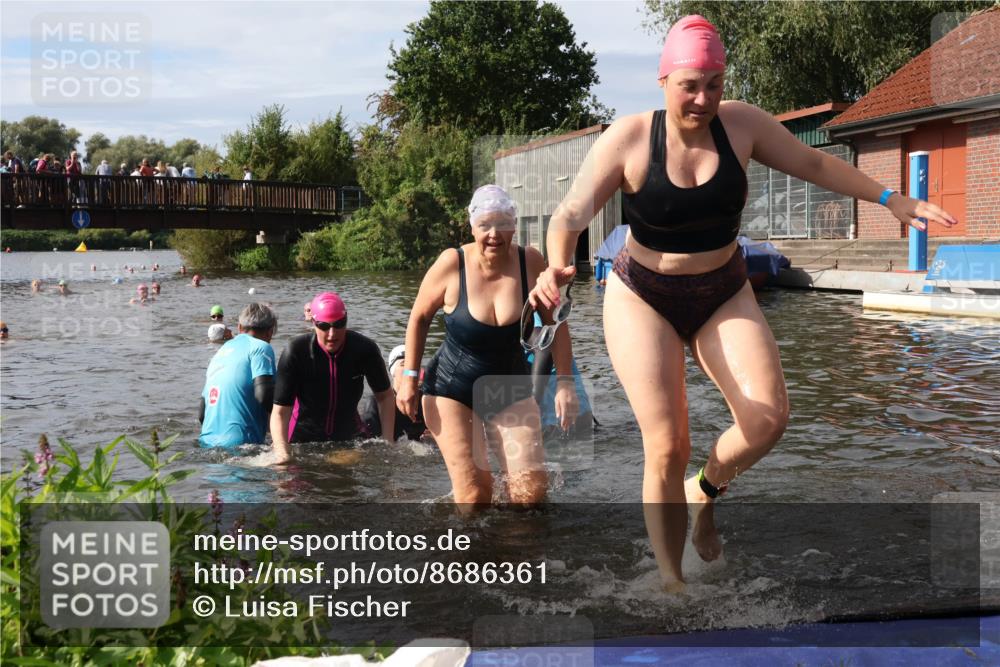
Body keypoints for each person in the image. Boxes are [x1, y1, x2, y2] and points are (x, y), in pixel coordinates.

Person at [528, 14, 958, 591]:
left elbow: (814, 163)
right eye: (690, 84)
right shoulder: (629, 139)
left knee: (768, 418)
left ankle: (703, 490)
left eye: (714, 83)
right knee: (668, 442)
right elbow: (571, 215)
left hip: (722, 289)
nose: (703, 98)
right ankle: (671, 582)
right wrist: (558, 264)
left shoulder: (743, 126)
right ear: (664, 80)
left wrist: (890, 198)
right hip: (642, 295)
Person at [397, 185, 578, 508]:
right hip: (451, 389)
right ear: (472, 227)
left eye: (503, 224)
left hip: (509, 385)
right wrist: (409, 376)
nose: (494, 234)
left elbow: (556, 324)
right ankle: (471, 555)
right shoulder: (452, 263)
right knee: (475, 496)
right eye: (485, 225)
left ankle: (521, 555)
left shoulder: (529, 261)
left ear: (514, 226)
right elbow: (419, 318)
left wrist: (565, 383)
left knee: (529, 495)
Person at [269, 292, 395, 463]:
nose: (332, 334)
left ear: (346, 320)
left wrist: (387, 442)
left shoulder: (364, 349)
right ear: (313, 323)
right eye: (324, 326)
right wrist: (282, 452)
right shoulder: (297, 352)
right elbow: (280, 412)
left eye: (339, 324)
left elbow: (385, 397)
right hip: (303, 440)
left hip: (348, 439)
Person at [198, 303, 278, 448]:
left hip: (206, 443)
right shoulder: (262, 348)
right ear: (270, 332)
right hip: (241, 444)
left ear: (240, 328)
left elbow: (202, 414)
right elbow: (264, 395)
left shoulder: (219, 353)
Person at [361, 345, 429, 442]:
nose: (409, 370)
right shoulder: (376, 403)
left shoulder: (426, 401)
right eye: (403, 364)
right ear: (393, 372)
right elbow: (368, 442)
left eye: (415, 366)